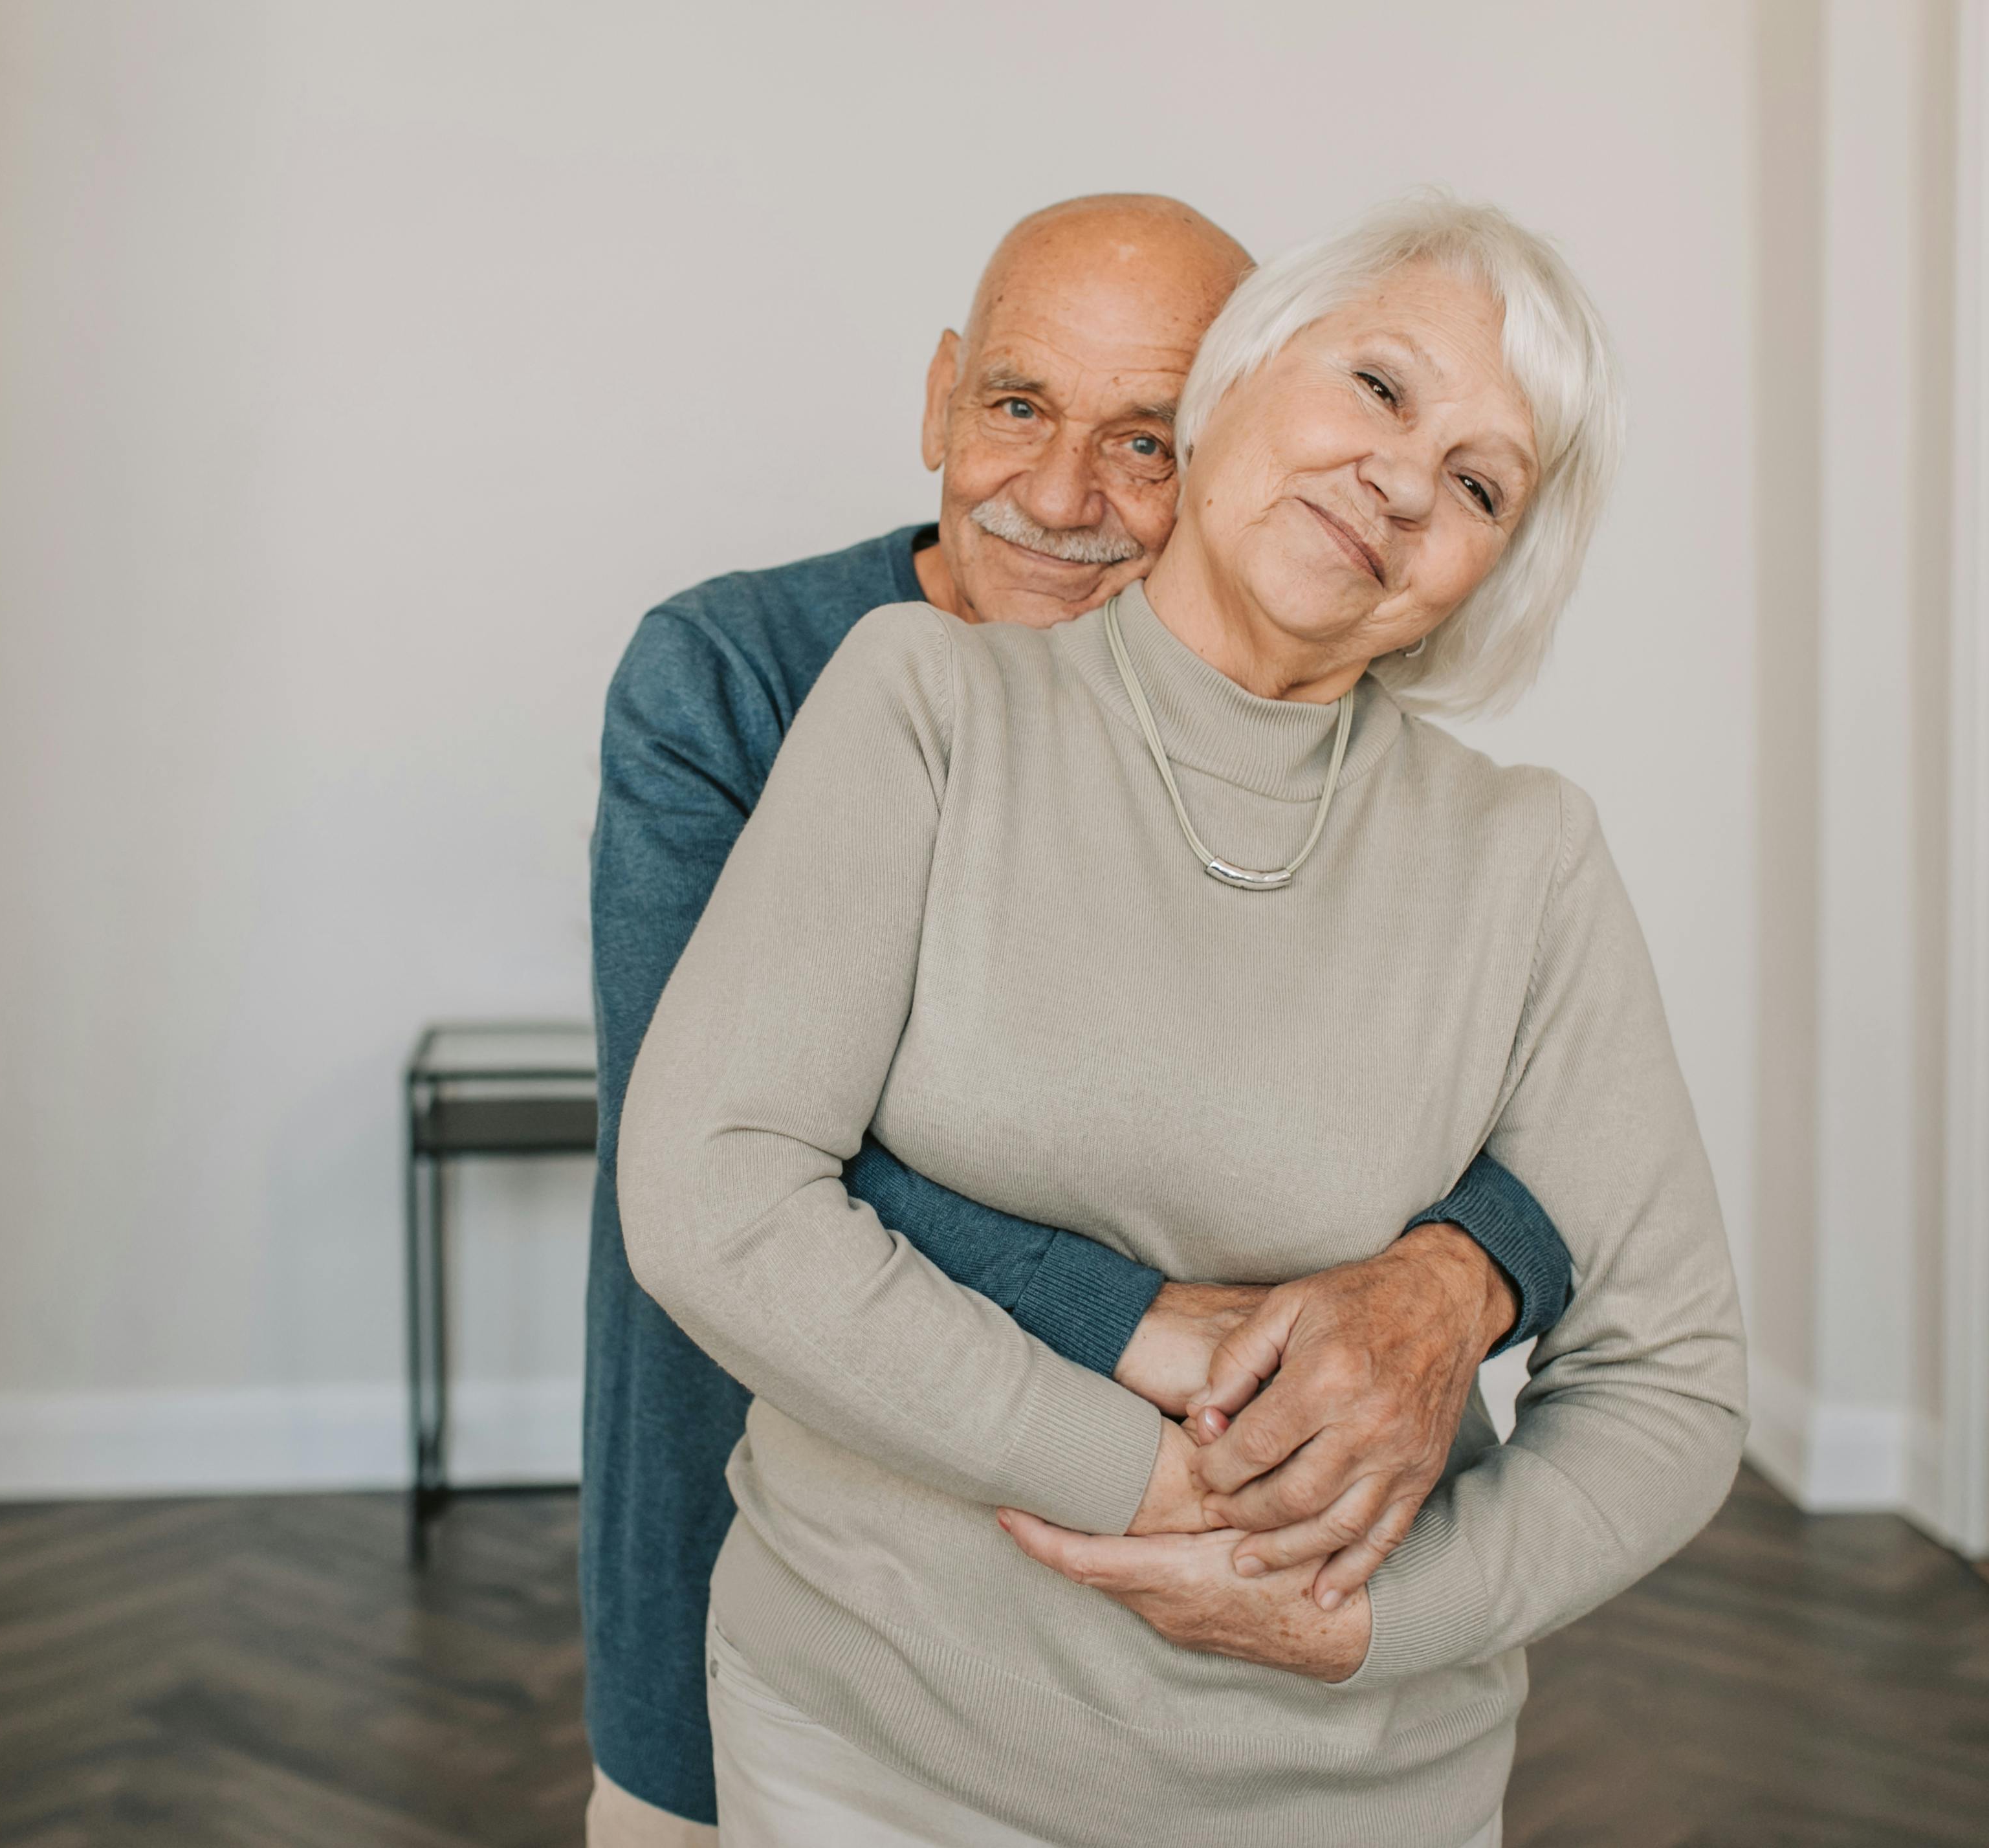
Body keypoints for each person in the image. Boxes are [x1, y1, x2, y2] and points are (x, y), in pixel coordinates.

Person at [619, 193, 1748, 1848]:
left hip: (1361, 1794)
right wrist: (1159, 1487)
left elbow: (1677, 1384)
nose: (1405, 479)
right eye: (1380, 388)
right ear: (1240, 379)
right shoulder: (919, 703)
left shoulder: (1531, 855)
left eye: (1482, 481)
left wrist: (1375, 1616)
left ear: (1490, 575)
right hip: (879, 1752)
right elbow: (714, 1195)